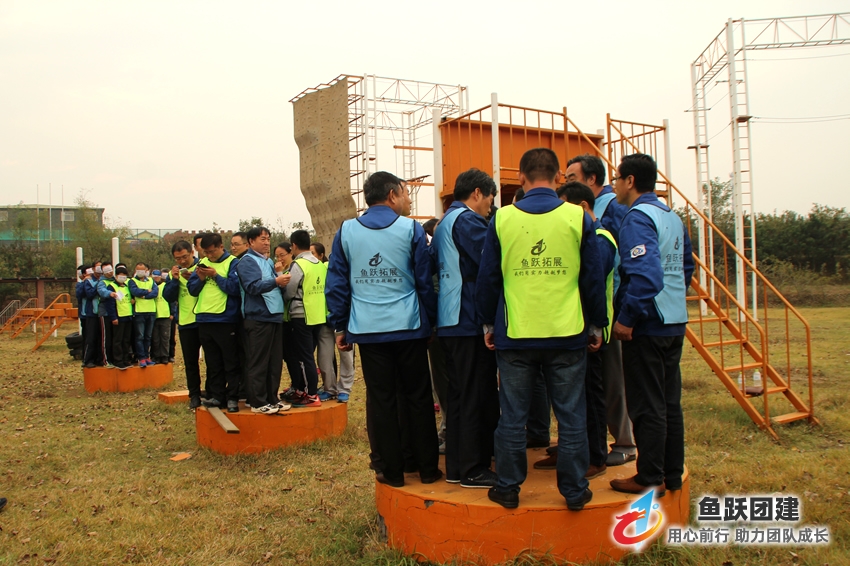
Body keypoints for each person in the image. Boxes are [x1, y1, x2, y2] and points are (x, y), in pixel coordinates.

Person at [476, 148, 607, 511]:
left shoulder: (501, 220)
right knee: (571, 415)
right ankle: (575, 491)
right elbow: (592, 278)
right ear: (558, 178)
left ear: (520, 178)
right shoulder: (577, 218)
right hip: (567, 334)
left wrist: (488, 321)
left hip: (516, 334)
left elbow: (488, 280)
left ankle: (508, 487)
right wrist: (597, 324)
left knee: (513, 418)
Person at [326, 171, 440, 488]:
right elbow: (423, 283)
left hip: (368, 330)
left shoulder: (346, 231)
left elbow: (337, 284)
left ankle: (391, 472)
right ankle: (428, 469)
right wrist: (429, 321)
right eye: (405, 192)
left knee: (382, 400)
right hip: (409, 327)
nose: (407, 198)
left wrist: (340, 324)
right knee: (418, 398)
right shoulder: (411, 229)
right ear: (391, 195)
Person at [610, 153, 694, 496]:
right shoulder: (671, 216)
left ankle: (649, 477)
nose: (614, 184)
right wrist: (671, 300)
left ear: (630, 181)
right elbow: (685, 267)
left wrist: (627, 318)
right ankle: (671, 474)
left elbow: (645, 275)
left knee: (647, 405)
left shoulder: (637, 217)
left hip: (648, 324)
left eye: (617, 178)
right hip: (674, 319)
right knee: (669, 403)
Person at [535, 182, 618, 479]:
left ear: (582, 206)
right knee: (568, 396)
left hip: (590, 332)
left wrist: (594, 325)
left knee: (591, 397)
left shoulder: (601, 237)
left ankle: (596, 456)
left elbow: (591, 282)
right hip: (571, 329)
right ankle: (571, 449)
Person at [565, 153, 636, 466]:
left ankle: (625, 442)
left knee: (611, 382)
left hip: (608, 316)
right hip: (595, 316)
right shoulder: (600, 211)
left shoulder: (611, 213)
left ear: (590, 180)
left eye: (571, 178)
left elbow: (602, 270)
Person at [432, 168, 501, 488]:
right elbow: (490, 264)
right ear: (476, 193)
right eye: (490, 198)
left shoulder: (446, 220)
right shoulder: (470, 221)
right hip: (468, 316)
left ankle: (459, 466)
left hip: (449, 319)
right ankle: (474, 468)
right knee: (477, 394)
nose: (490, 205)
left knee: (459, 397)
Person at [236, 226, 291, 414]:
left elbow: (277, 288)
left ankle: (271, 398)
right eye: (262, 239)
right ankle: (257, 401)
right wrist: (276, 281)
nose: (267, 242)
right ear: (251, 242)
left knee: (274, 362)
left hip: (274, 316)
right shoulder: (247, 262)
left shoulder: (267, 262)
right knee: (258, 361)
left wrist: (279, 277)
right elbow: (252, 287)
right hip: (258, 317)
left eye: (268, 238)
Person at [188, 233, 242, 413]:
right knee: (213, 362)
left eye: (212, 252)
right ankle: (217, 395)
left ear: (221, 247)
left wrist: (216, 276)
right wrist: (202, 279)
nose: (209, 256)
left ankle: (232, 396)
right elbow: (192, 290)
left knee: (230, 361)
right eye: (206, 252)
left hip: (225, 319)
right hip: (204, 319)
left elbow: (234, 288)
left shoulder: (233, 262)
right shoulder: (202, 264)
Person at [282, 229, 327, 407]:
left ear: (293, 246)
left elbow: (290, 291)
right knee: (309, 355)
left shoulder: (298, 264)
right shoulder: (318, 263)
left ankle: (311, 394)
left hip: (301, 314)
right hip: (318, 315)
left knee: (303, 356)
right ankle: (303, 390)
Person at [163, 241, 203, 409]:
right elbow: (168, 297)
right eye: (178, 259)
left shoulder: (203, 267)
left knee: (216, 361)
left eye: (185, 257)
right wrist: (173, 280)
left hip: (205, 320)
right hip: (187, 323)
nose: (182, 261)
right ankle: (194, 394)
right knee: (191, 362)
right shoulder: (175, 274)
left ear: (192, 252)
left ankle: (215, 392)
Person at [312, 242, 353, 403]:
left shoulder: (336, 267)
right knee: (324, 356)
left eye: (313, 253)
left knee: (346, 356)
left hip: (342, 318)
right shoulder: (314, 269)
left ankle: (344, 389)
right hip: (323, 319)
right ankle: (329, 388)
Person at [128, 262, 158, 367]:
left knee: (148, 336)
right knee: (140, 336)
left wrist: (144, 295)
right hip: (139, 312)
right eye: (138, 270)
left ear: (146, 270)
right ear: (136, 270)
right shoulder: (132, 281)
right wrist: (147, 291)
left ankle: (147, 356)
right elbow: (135, 291)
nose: (141, 272)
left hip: (151, 311)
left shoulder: (151, 280)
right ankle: (141, 358)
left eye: (143, 270)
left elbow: (155, 292)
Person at [105, 266, 134, 370]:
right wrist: (114, 317)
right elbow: (110, 304)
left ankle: (126, 359)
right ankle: (118, 360)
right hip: (119, 317)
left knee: (126, 340)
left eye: (124, 276)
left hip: (128, 316)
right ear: (116, 276)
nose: (123, 278)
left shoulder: (127, 286)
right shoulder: (112, 287)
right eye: (121, 276)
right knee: (118, 340)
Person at [95, 262, 118, 367]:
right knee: (106, 338)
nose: (110, 273)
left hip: (116, 312)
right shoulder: (101, 282)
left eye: (111, 270)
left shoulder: (115, 280)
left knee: (115, 338)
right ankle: (106, 360)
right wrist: (110, 293)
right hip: (105, 313)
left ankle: (115, 358)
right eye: (107, 271)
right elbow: (102, 291)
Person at [150, 270, 172, 365]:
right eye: (154, 276)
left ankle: (165, 356)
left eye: (157, 276)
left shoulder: (165, 286)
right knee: (155, 338)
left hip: (165, 315)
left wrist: (172, 313)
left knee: (165, 337)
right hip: (154, 315)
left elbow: (171, 300)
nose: (156, 278)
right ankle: (156, 356)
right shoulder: (150, 286)